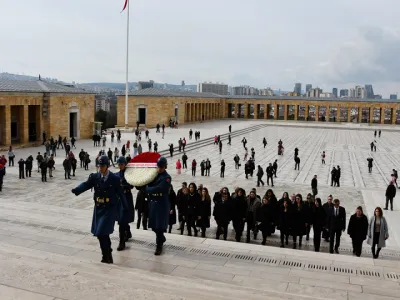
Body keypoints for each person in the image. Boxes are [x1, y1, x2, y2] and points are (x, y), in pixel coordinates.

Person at [71, 156, 128, 263]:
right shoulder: (95, 177)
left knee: (101, 232)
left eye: (103, 166)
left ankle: (107, 254)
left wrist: (125, 208)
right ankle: (106, 255)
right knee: (101, 233)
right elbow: (87, 184)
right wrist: (77, 190)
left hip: (109, 208)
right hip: (98, 208)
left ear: (108, 166)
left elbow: (121, 194)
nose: (100, 168)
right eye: (99, 166)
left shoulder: (115, 179)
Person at [143, 156, 171, 255]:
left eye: (161, 167)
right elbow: (147, 183)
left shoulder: (167, 178)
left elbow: (158, 189)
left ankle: (159, 246)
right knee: (153, 226)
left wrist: (146, 189)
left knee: (159, 226)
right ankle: (161, 237)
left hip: (161, 203)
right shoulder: (154, 175)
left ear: (165, 167)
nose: (159, 168)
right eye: (158, 167)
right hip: (153, 202)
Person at [116, 157, 134, 251]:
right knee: (121, 219)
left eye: (122, 164)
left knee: (122, 219)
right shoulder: (116, 174)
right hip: (119, 199)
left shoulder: (129, 174)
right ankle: (128, 231)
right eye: (119, 164)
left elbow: (132, 185)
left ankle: (121, 242)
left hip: (126, 197)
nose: (120, 166)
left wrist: (122, 185)